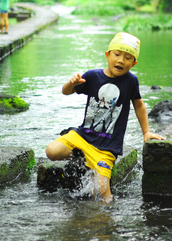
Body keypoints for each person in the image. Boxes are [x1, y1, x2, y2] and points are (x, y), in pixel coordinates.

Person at [45, 32, 165, 201]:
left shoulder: (131, 81)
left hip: (107, 148)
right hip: (83, 136)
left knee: (103, 194)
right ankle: (80, 155)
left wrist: (146, 132)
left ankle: (106, 222)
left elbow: (139, 105)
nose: (121, 60)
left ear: (134, 63)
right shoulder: (93, 76)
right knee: (51, 151)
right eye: (117, 54)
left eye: (128, 57)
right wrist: (72, 83)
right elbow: (66, 92)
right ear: (107, 55)